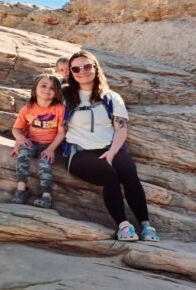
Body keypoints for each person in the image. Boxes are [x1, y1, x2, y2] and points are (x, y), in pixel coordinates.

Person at [62, 50, 160, 241]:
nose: (82, 71)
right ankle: (124, 226)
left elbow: (121, 128)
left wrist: (112, 152)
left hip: (110, 147)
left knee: (129, 172)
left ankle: (146, 226)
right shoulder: (66, 96)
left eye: (87, 66)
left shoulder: (111, 97)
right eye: (76, 69)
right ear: (71, 73)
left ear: (95, 67)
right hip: (78, 153)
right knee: (109, 175)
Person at [10, 74, 66, 208]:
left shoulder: (59, 109)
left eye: (52, 88)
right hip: (31, 142)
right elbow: (16, 129)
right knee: (22, 155)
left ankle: (46, 196)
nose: (47, 90)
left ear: (57, 92)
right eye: (43, 86)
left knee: (44, 163)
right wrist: (20, 139)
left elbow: (61, 132)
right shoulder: (27, 109)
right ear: (35, 89)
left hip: (49, 145)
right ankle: (21, 190)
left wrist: (51, 148)